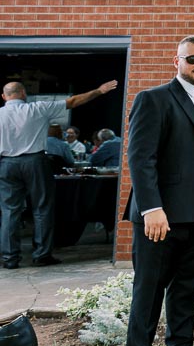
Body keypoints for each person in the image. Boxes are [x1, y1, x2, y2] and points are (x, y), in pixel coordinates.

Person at [122, 39, 194, 346]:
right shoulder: (154, 99)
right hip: (160, 216)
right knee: (148, 290)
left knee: (186, 288)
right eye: (193, 58)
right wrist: (151, 208)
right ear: (177, 60)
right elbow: (140, 157)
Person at [1, 78, 116, 269]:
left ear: (4, 97)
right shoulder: (38, 108)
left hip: (6, 163)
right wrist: (99, 91)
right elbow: (73, 101)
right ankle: (42, 255)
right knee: (42, 209)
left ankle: (10, 258)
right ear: (23, 94)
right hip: (35, 161)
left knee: (9, 211)